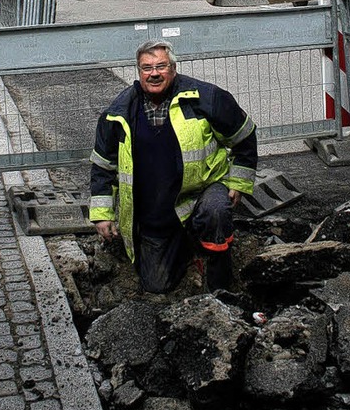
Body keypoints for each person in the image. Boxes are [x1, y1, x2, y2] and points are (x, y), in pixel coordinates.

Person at [90, 40, 258, 293]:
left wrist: (238, 183)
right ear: (138, 72)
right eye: (147, 68)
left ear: (174, 68)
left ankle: (219, 278)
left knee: (215, 210)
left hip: (201, 192)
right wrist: (102, 215)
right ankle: (185, 247)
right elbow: (103, 166)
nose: (154, 73)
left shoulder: (205, 98)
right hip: (155, 212)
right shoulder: (118, 113)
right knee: (157, 285)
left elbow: (244, 135)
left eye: (161, 66)